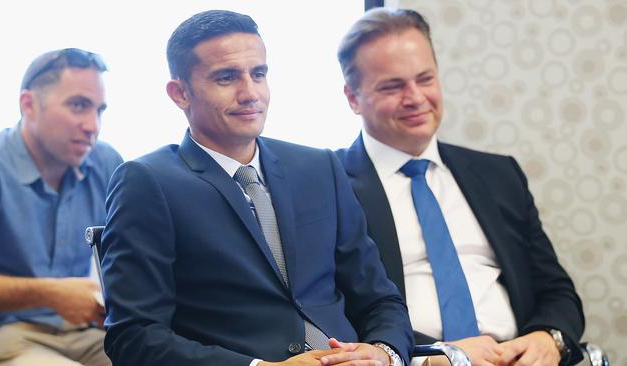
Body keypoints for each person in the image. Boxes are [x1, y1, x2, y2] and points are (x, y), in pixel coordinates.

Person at [100, 9, 412, 366]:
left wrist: (383, 353)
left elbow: (379, 299)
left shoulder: (319, 167)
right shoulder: (146, 182)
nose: (250, 93)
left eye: (258, 74)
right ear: (180, 93)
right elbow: (135, 336)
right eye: (226, 78)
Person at [335, 7, 584, 366]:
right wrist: (445, 356)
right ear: (353, 98)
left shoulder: (498, 174)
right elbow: (335, 309)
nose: (415, 97)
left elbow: (557, 291)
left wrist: (550, 338)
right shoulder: (330, 184)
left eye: (425, 79)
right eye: (393, 86)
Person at [0, 48, 122, 365]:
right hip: (5, 334)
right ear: (28, 104)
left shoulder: (106, 162)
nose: (92, 125)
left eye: (99, 110)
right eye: (79, 106)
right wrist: (50, 294)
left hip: (86, 330)